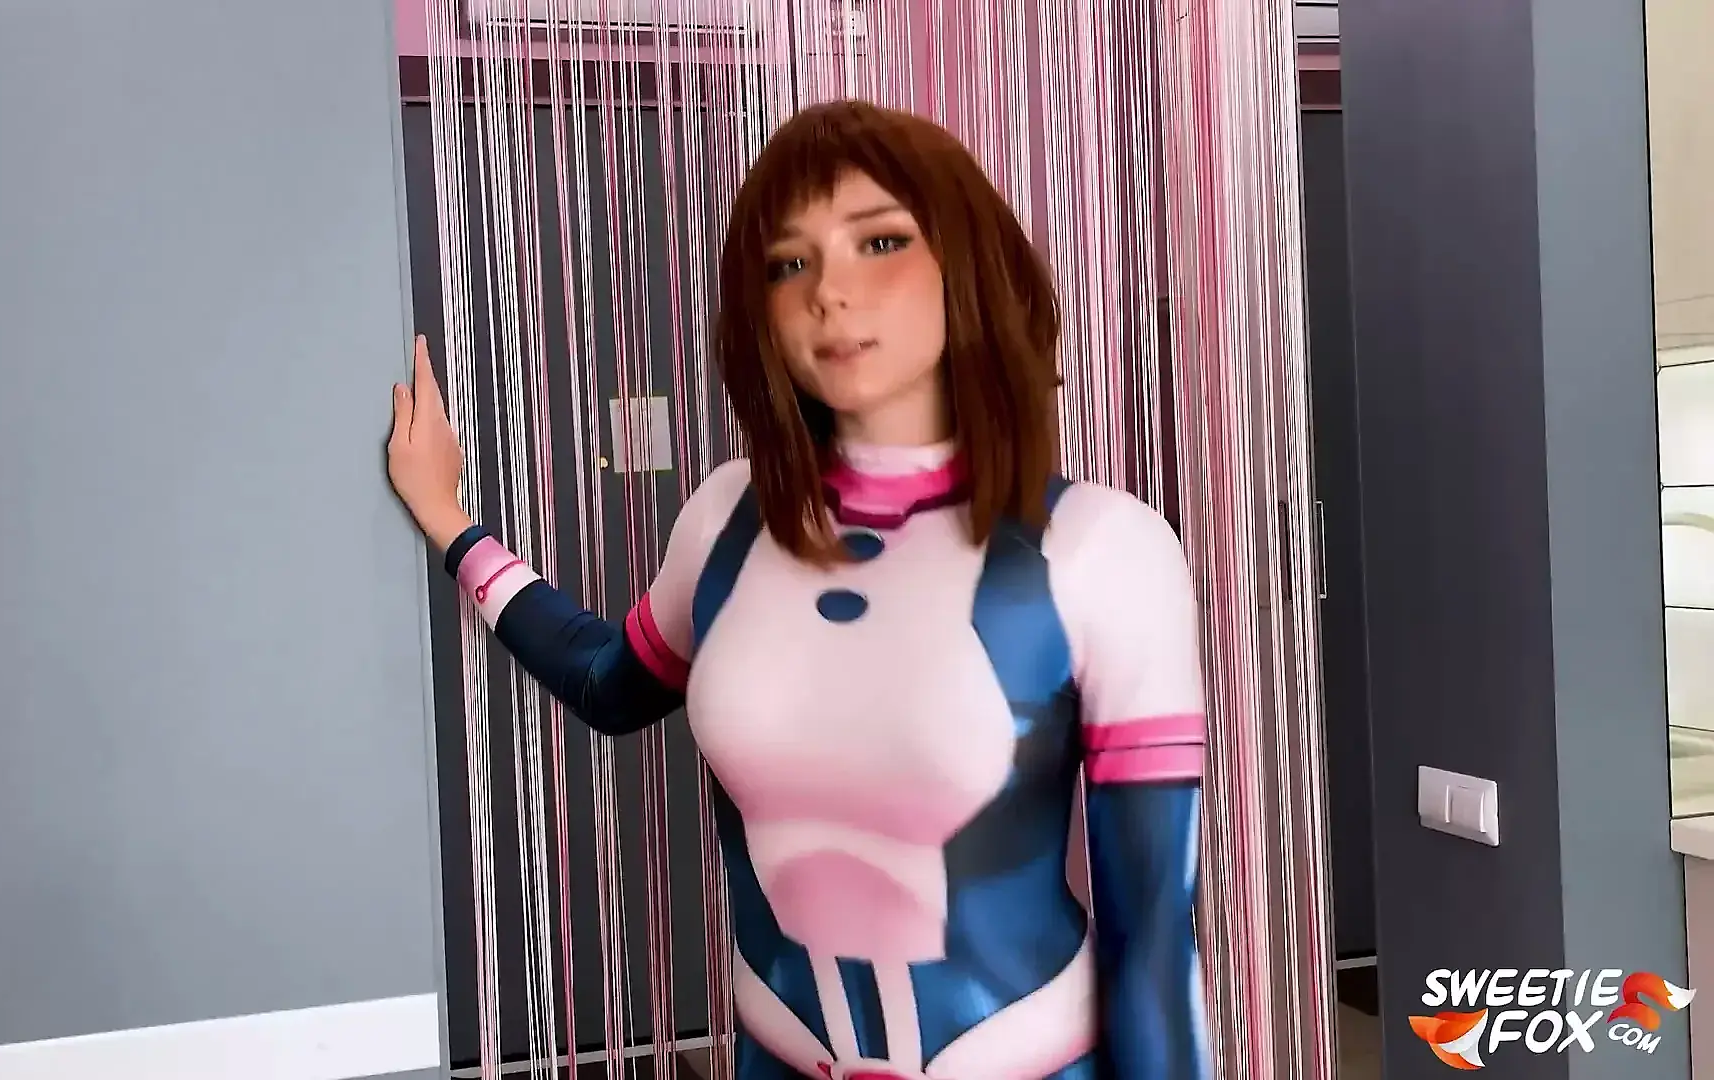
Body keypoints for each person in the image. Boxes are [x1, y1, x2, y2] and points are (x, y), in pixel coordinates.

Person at [388, 99, 1209, 1080]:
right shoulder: (727, 521)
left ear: (968, 262)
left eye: (880, 241)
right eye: (789, 263)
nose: (830, 292)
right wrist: (450, 522)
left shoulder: (1102, 551)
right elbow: (608, 684)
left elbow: (1152, 942)